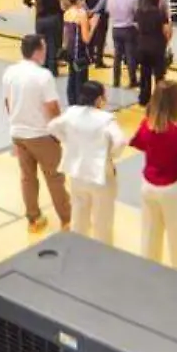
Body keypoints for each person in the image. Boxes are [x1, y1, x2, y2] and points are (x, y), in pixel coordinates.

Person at [131, 80, 177, 274]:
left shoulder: (147, 126)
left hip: (148, 186)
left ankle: (147, 274)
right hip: (174, 188)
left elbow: (139, 144)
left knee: (149, 235)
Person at [3, 35, 71, 232]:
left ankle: (34, 218)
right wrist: (59, 132)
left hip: (18, 133)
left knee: (27, 177)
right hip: (41, 134)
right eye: (44, 47)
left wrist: (14, 124)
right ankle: (67, 219)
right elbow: (52, 107)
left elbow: (7, 102)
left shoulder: (10, 72)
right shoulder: (43, 76)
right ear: (38, 51)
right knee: (55, 177)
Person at [48, 80, 126, 246]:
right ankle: (101, 256)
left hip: (77, 174)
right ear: (98, 99)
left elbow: (52, 126)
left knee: (79, 217)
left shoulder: (72, 112)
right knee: (102, 222)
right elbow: (120, 142)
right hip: (101, 177)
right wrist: (110, 154)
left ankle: (78, 251)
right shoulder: (106, 118)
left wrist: (68, 141)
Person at [132, 0, 171, 107]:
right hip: (157, 46)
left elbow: (136, 27)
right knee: (159, 75)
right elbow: (167, 31)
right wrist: (167, 42)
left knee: (144, 73)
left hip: (142, 45)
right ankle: (160, 100)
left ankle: (144, 98)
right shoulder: (160, 13)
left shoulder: (139, 12)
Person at [23, 0, 66, 78]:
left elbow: (25, 0)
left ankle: (43, 67)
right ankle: (53, 70)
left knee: (42, 44)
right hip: (52, 19)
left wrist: (32, 5)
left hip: (40, 21)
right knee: (53, 44)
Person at [63, 0, 97, 107]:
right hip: (80, 53)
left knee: (71, 78)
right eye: (83, 1)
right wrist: (93, 26)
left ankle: (71, 103)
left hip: (70, 52)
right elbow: (86, 39)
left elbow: (66, 35)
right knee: (81, 81)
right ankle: (81, 105)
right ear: (79, 1)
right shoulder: (81, 14)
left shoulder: (67, 13)